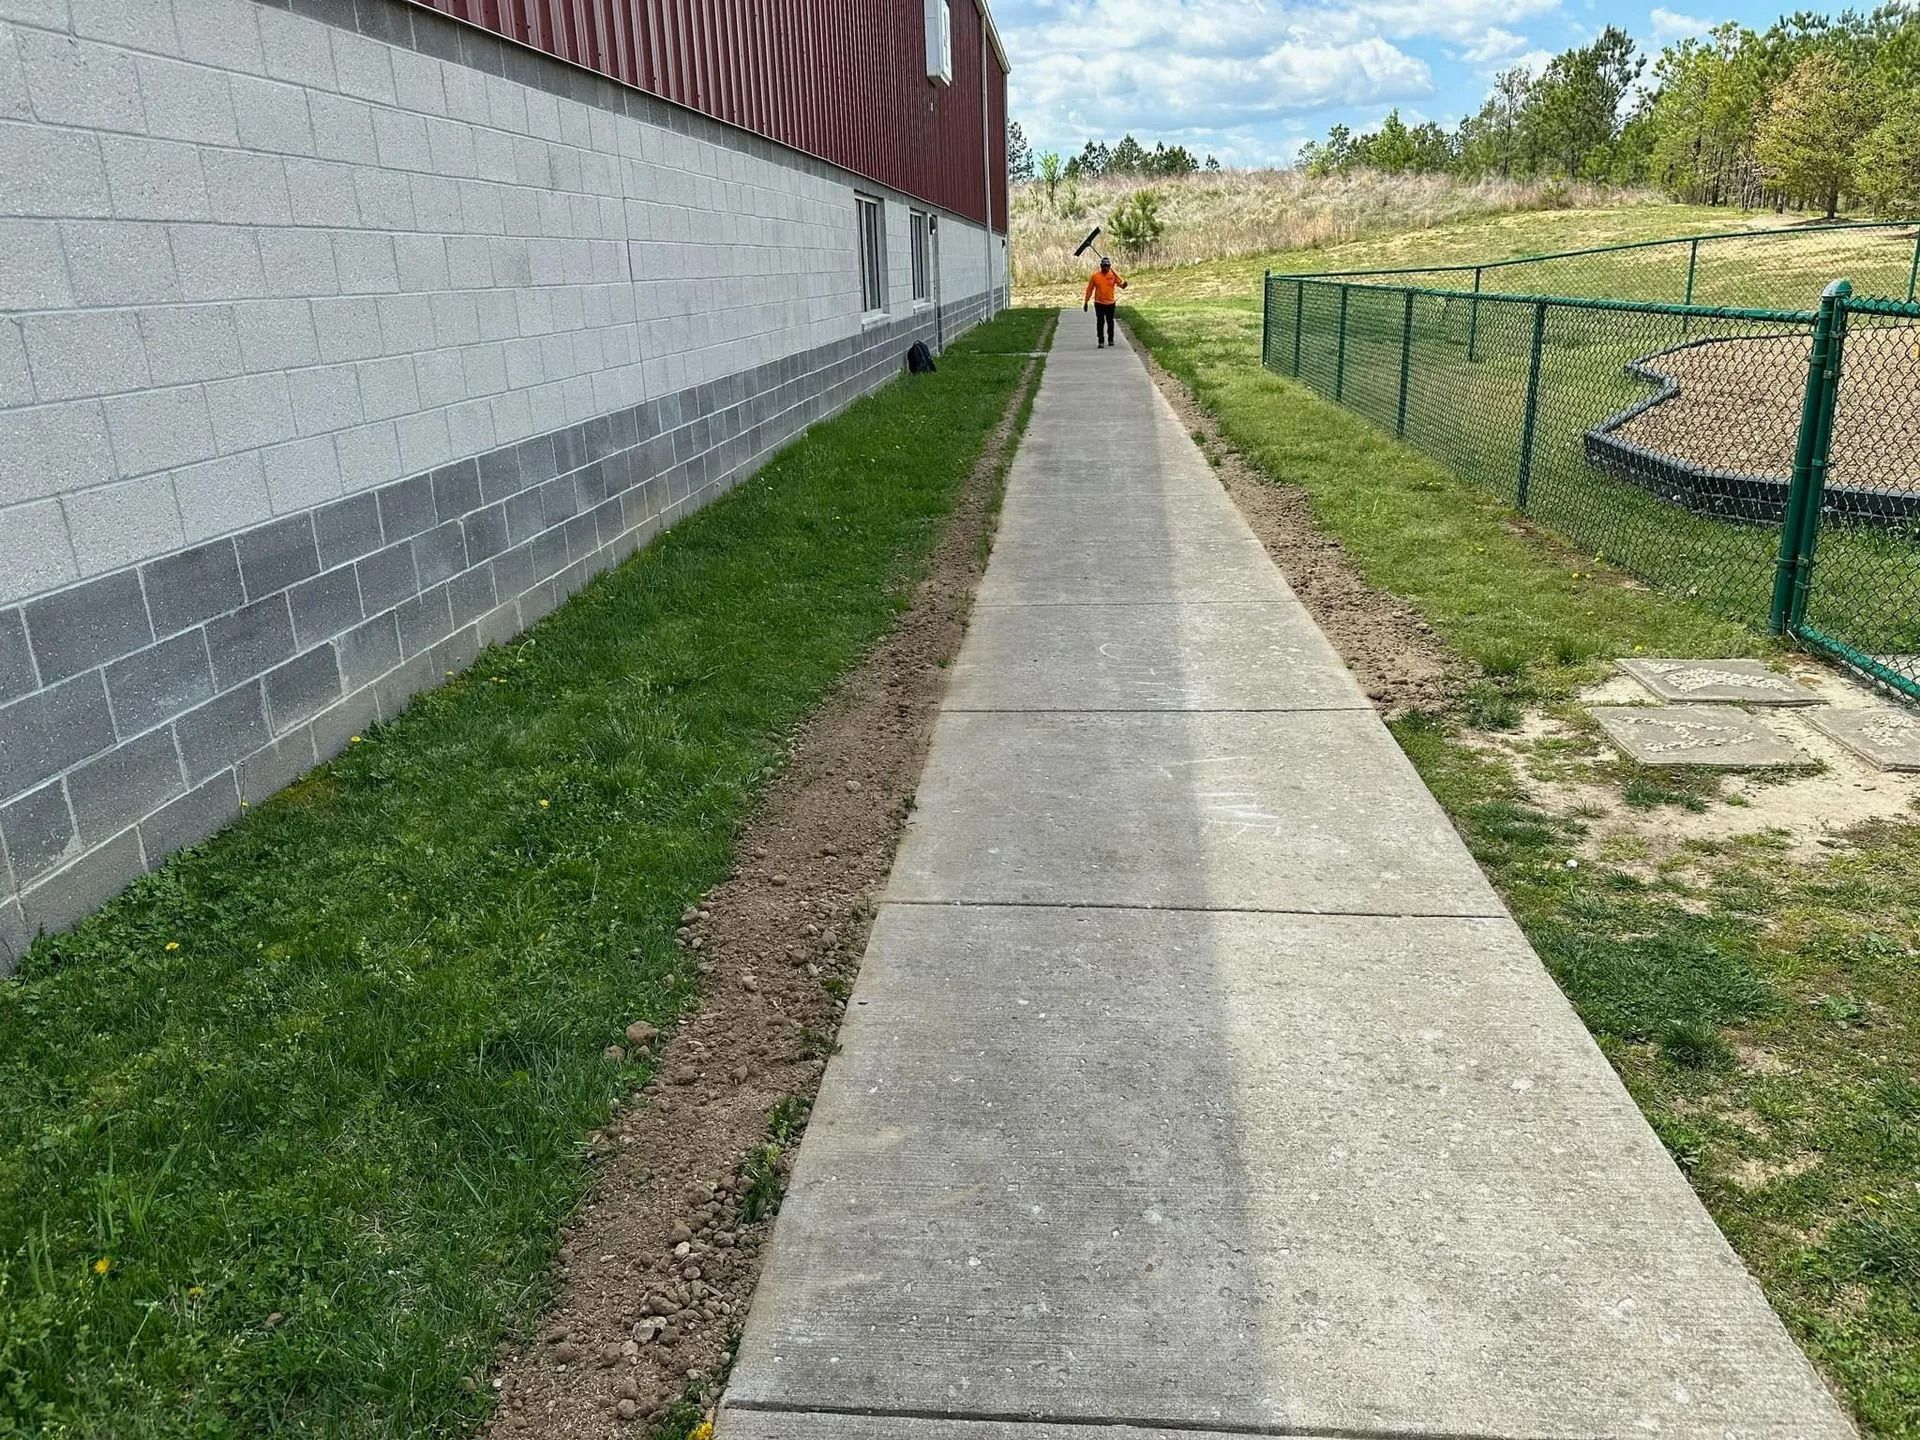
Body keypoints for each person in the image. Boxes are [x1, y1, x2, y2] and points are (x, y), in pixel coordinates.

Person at [1083, 256, 1127, 347]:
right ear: (1101, 266)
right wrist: (1086, 302)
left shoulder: (1113, 275)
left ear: (1109, 266)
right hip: (1099, 303)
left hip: (1110, 303)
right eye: (1103, 266)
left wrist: (1125, 285)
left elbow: (1121, 286)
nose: (1105, 268)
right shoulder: (1095, 276)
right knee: (1100, 322)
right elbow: (1089, 290)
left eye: (1107, 266)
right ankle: (1101, 341)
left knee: (1110, 321)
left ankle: (1111, 339)